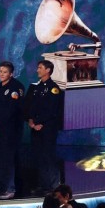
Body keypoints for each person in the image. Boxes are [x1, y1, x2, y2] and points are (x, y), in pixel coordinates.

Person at [25, 59, 64, 193]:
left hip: (47, 129)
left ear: (48, 70)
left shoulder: (53, 89)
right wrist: (30, 120)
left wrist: (40, 123)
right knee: (38, 156)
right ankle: (42, 184)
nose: (37, 70)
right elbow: (30, 106)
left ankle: (52, 186)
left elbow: (53, 110)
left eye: (40, 67)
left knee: (48, 157)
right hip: (35, 128)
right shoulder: (36, 88)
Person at [0, 61, 25, 199]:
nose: (1, 74)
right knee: (0, 160)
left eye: (4, 72)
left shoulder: (16, 88)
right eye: (0, 72)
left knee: (9, 160)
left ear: (11, 73)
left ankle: (10, 189)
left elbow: (11, 111)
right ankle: (1, 187)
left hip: (11, 130)